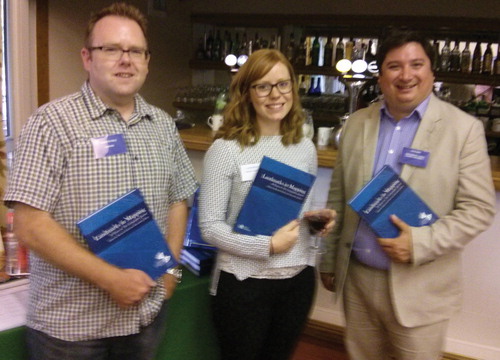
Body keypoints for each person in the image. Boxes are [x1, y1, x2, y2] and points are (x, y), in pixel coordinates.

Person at [4, 3, 197, 360]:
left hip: (145, 318)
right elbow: (30, 226)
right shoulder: (51, 123)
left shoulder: (163, 125)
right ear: (87, 57)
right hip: (71, 328)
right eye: (111, 49)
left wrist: (170, 271)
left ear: (147, 60)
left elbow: (178, 198)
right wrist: (110, 279)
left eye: (135, 51)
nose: (126, 59)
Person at [319, 29, 496, 360]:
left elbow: (478, 209)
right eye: (394, 66)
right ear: (381, 73)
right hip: (358, 281)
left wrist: (420, 243)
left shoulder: (463, 129)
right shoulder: (357, 123)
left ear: (431, 71)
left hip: (421, 286)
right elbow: (338, 195)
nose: (406, 75)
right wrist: (329, 259)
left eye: (416, 64)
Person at [198, 49, 336, 360]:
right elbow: (209, 228)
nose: (276, 95)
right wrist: (267, 246)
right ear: (246, 93)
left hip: (297, 281)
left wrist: (316, 222)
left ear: (293, 88)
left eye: (283, 84)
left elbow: (297, 216)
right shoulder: (225, 149)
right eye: (263, 86)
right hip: (243, 283)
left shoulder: (304, 147)